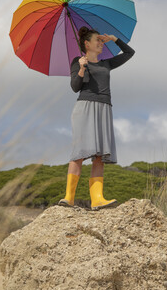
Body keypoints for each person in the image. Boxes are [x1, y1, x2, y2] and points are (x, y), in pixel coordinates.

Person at [58, 26, 135, 211]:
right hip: (84, 107)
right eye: (97, 40)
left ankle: (97, 199)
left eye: (101, 41)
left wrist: (114, 39)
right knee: (79, 153)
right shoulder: (78, 61)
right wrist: (82, 69)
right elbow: (75, 87)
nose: (101, 43)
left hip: (104, 108)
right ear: (87, 44)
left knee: (100, 156)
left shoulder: (106, 64)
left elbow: (129, 53)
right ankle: (69, 198)